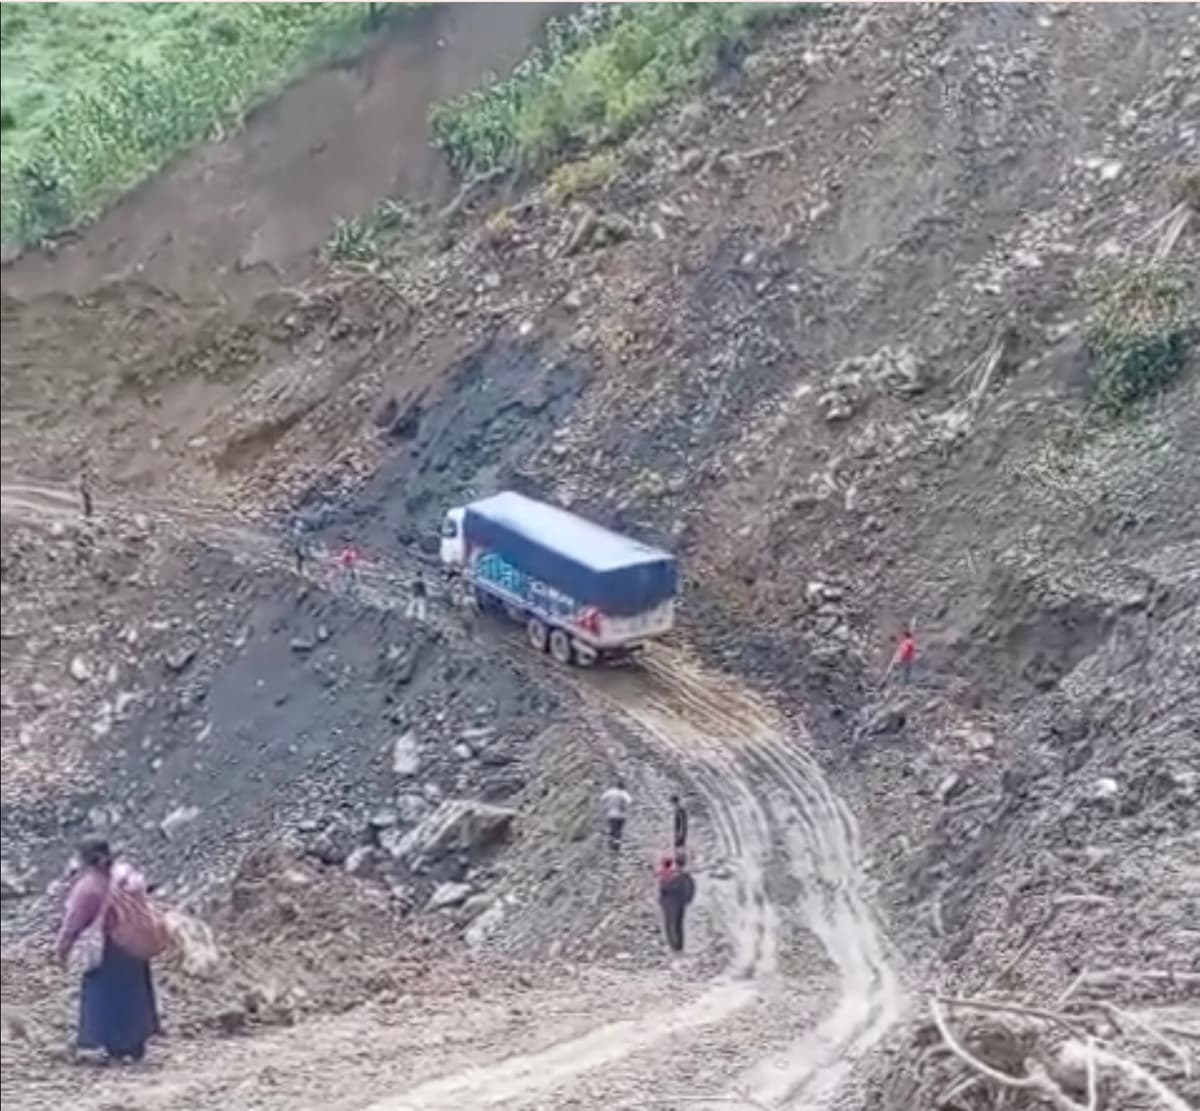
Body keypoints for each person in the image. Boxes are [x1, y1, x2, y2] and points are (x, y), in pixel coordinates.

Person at [55, 837, 163, 1063]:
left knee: (103, 996)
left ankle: (111, 1046)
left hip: (109, 949)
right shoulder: (125, 876)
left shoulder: (88, 887)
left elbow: (74, 923)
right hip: (134, 945)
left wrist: (62, 950)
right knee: (135, 995)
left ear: (86, 859)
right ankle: (135, 1045)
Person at [658, 849, 696, 953]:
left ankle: (676, 946)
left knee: (672, 925)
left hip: (673, 903)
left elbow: (664, 889)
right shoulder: (680, 876)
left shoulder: (673, 876)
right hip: (676, 903)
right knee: (676, 925)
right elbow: (690, 887)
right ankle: (677, 946)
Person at [600, 778, 632, 852]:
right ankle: (617, 845)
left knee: (612, 829)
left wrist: (606, 807)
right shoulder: (624, 793)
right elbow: (629, 802)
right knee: (619, 830)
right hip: (622, 815)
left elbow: (602, 799)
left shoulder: (610, 792)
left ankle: (611, 843)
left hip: (611, 814)